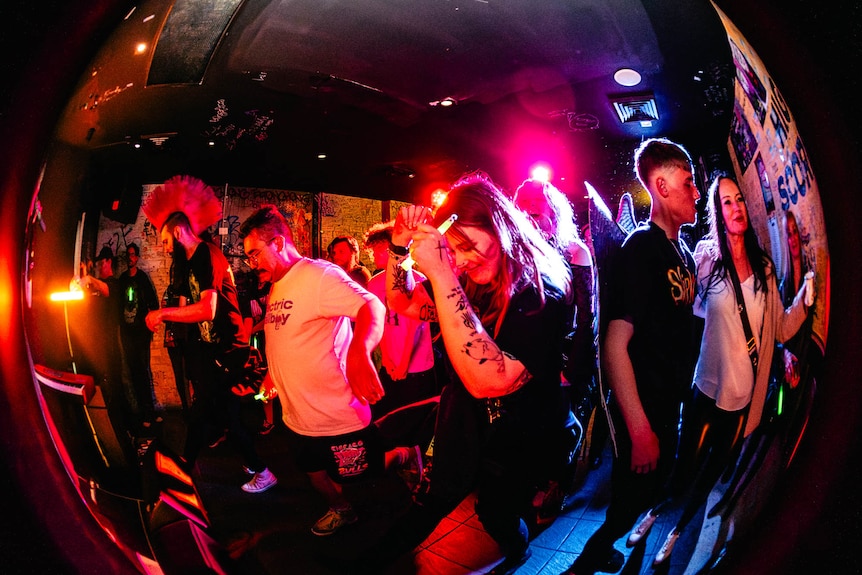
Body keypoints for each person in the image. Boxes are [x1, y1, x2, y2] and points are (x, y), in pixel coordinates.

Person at [380, 171, 575, 574]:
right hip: (466, 422)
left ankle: (518, 547)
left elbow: (491, 380)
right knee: (432, 502)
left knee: (496, 512)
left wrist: (442, 271)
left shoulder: (543, 292)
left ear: (499, 223)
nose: (464, 260)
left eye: (469, 246)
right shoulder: (468, 279)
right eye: (455, 251)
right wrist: (399, 249)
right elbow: (401, 301)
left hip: (520, 435)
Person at [648, 174, 811, 565]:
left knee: (711, 476)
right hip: (704, 387)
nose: (736, 208)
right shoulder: (707, 259)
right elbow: (688, 306)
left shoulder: (767, 271)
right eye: (726, 203)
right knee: (684, 468)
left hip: (741, 400)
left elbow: (782, 327)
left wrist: (808, 290)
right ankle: (653, 513)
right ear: (717, 214)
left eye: (739, 200)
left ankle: (675, 533)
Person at [562, 137, 701, 575]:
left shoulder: (682, 251)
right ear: (660, 186)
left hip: (669, 404)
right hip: (645, 407)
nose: (696, 193)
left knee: (647, 494)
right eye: (688, 182)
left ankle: (608, 547)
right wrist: (640, 430)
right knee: (628, 503)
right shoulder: (642, 248)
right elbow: (615, 343)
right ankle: (586, 562)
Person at [239, 205, 395, 536]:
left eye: (254, 254)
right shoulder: (278, 285)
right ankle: (342, 511)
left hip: (338, 417)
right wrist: (272, 377)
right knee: (314, 475)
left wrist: (359, 352)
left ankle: (403, 457)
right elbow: (285, 338)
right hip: (298, 420)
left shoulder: (319, 275)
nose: (252, 264)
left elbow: (372, 306)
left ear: (279, 244)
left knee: (360, 479)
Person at [143, 176, 275, 494]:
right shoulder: (188, 262)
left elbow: (208, 309)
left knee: (223, 414)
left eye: (164, 241)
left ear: (177, 232)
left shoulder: (207, 255)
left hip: (227, 349)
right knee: (207, 413)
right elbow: (189, 307)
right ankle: (186, 469)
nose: (162, 248)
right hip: (210, 351)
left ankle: (261, 471)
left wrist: (161, 314)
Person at [514, 178, 598, 478]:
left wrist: (571, 373)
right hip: (528, 363)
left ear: (554, 213)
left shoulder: (574, 251)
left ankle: (558, 484)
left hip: (563, 360)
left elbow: (588, 318)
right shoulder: (519, 256)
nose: (528, 220)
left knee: (559, 438)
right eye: (521, 212)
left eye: (535, 213)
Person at [363, 220, 439, 419]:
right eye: (374, 250)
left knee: (415, 420)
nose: (375, 255)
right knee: (388, 419)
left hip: (418, 365)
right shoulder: (374, 284)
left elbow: (417, 327)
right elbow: (382, 324)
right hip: (391, 364)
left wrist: (404, 362)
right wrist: (387, 358)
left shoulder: (418, 279)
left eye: (380, 250)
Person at [117, 242, 160, 428]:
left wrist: (151, 325)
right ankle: (142, 414)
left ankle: (149, 413)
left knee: (143, 372)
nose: (130, 258)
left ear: (138, 257)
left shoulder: (142, 278)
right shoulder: (122, 280)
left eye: (133, 255)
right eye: (128, 255)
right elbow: (118, 306)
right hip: (127, 334)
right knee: (133, 373)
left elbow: (153, 303)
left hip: (141, 334)